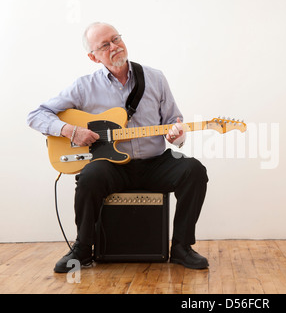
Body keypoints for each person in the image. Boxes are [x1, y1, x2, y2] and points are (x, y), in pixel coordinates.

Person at [27, 22, 209, 273]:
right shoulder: (83, 86)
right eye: (104, 45)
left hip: (154, 163)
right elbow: (36, 115)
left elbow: (172, 122)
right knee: (90, 175)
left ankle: (181, 247)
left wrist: (176, 134)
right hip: (112, 167)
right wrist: (71, 131)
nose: (114, 46)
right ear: (93, 56)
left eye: (116, 39)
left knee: (194, 170)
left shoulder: (154, 77)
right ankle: (82, 249)